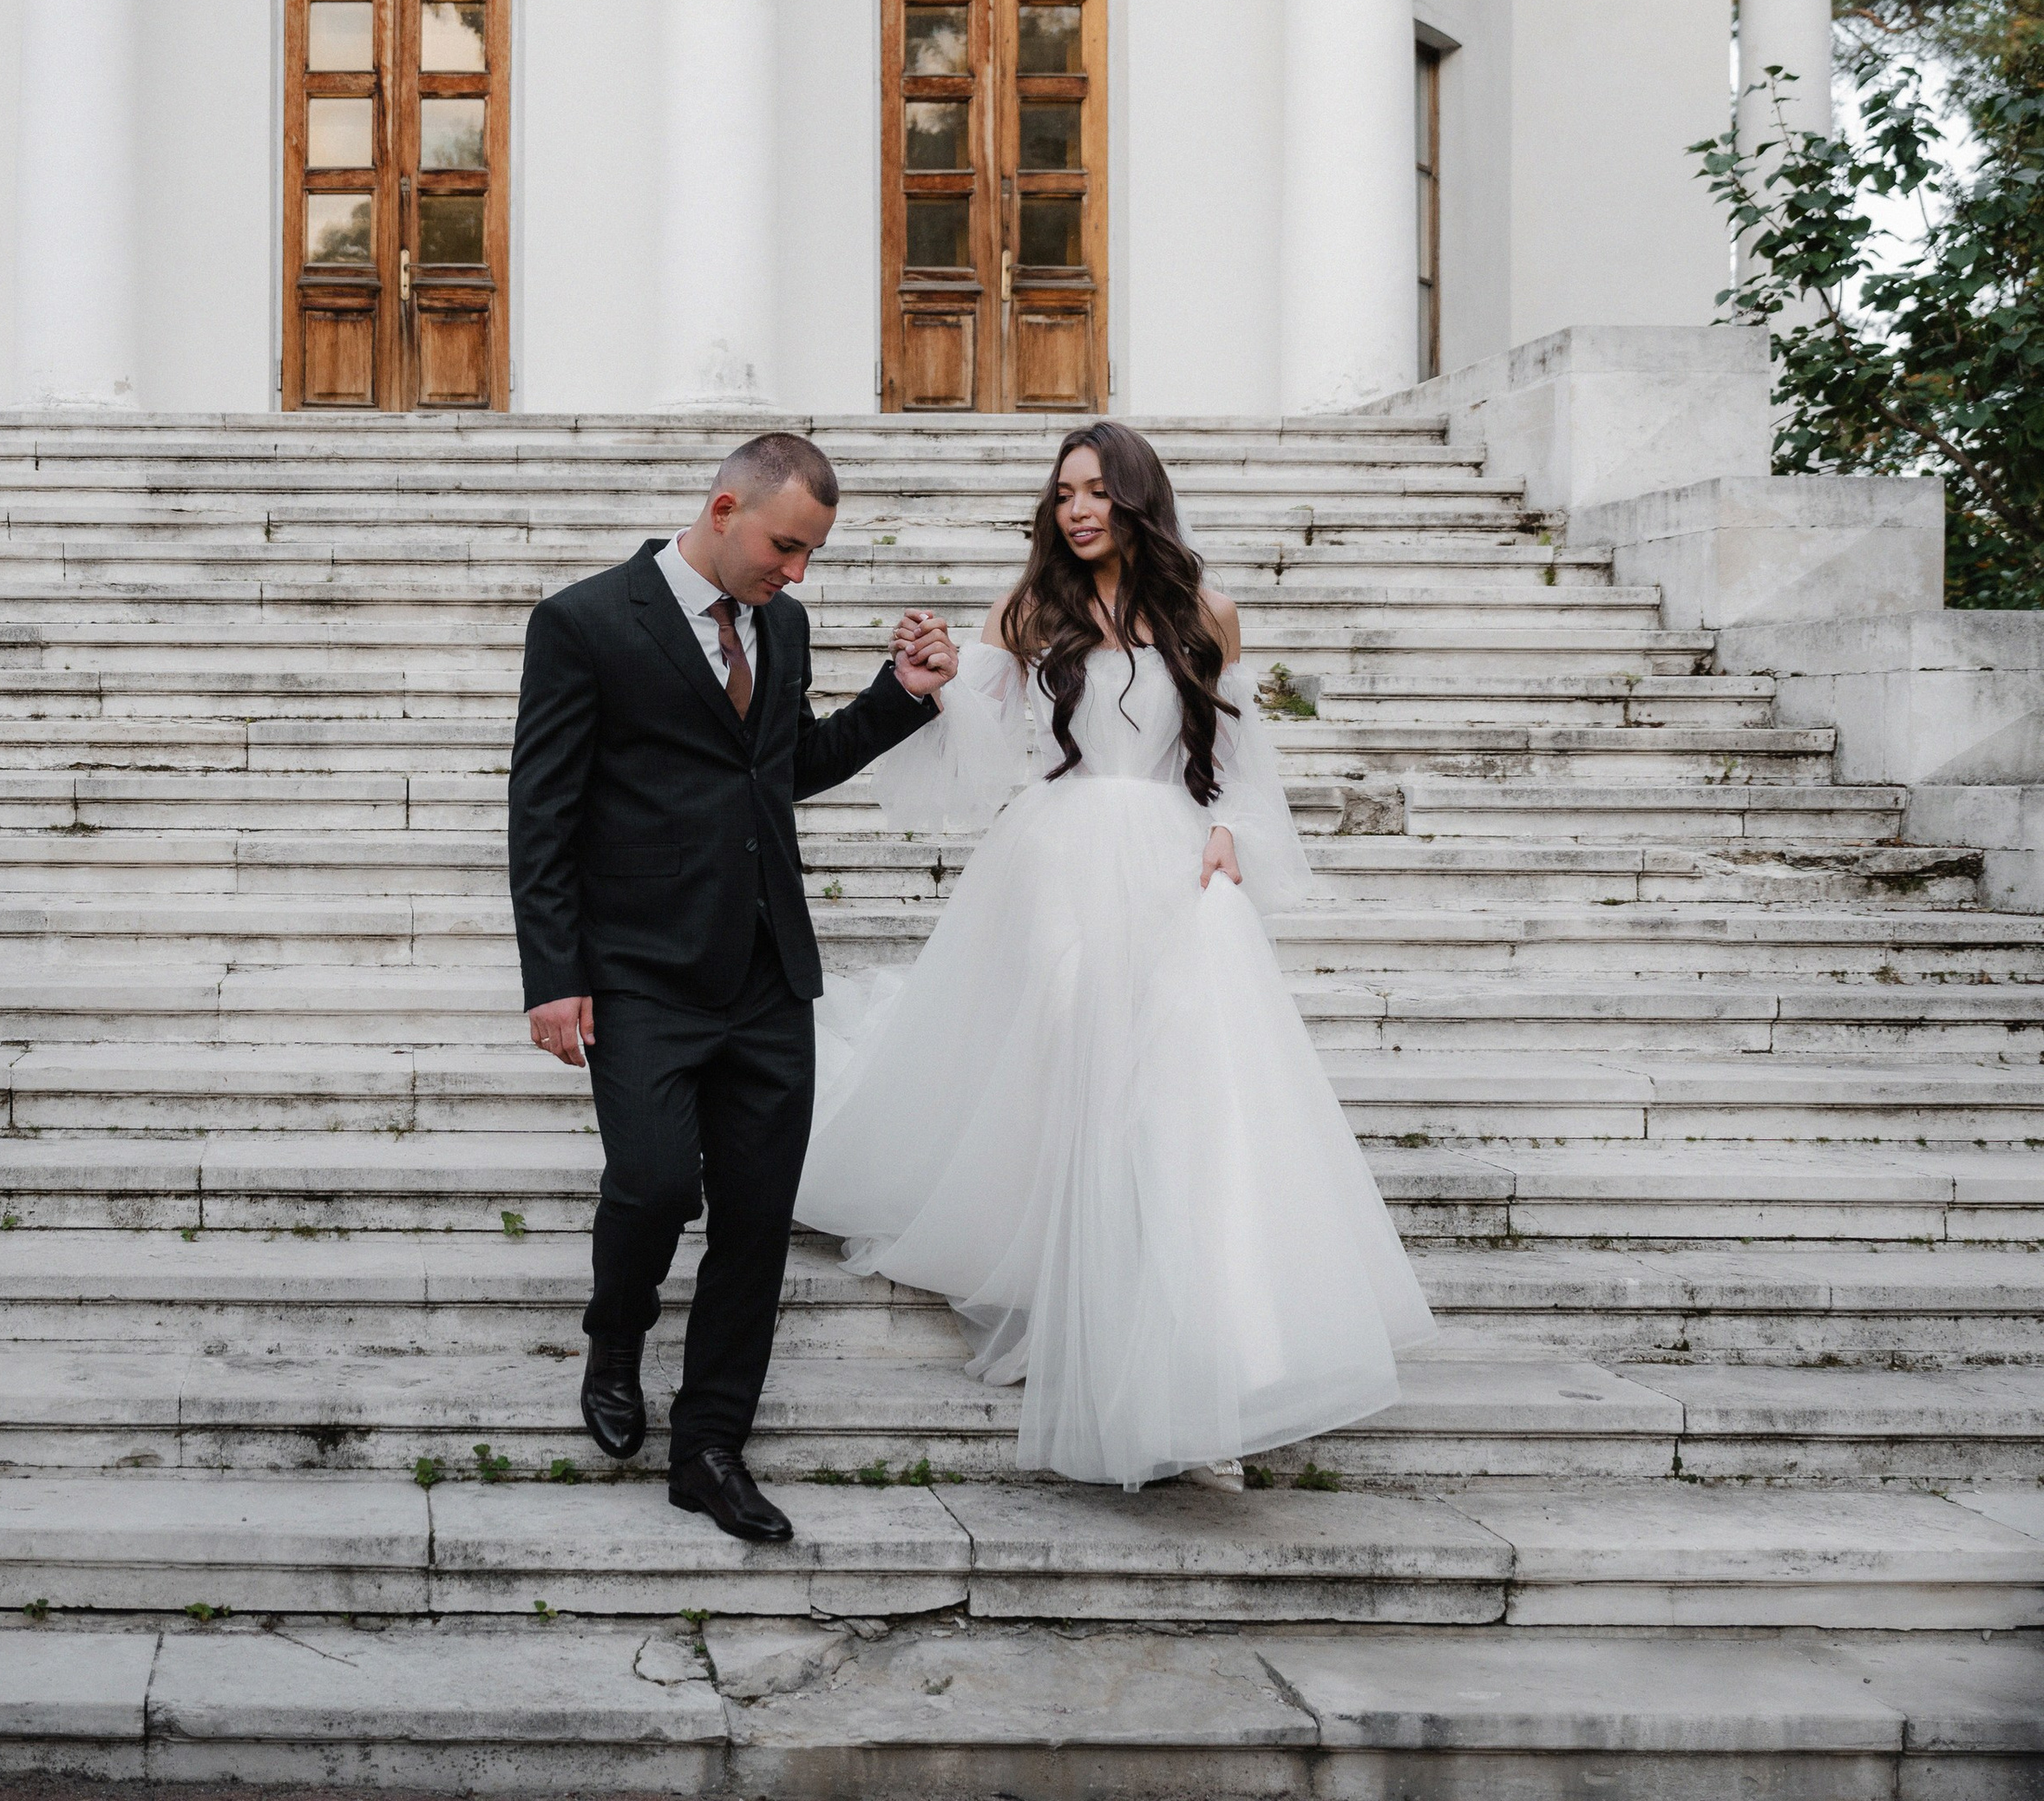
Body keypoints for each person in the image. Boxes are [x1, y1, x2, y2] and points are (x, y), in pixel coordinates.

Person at [795, 418, 1434, 1490]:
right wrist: (949, 679)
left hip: (1172, 862)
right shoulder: (1028, 608)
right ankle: (1079, 1294)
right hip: (1054, 858)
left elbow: (1238, 759)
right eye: (1062, 493)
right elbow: (991, 749)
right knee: (1075, 1044)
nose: (1077, 508)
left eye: (1095, 489)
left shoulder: (1206, 612)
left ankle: (1187, 1342)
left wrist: (1234, 828)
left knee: (1173, 1083)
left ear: (1136, 496)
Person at [508, 430, 958, 1544]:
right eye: (784, 546)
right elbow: (543, 810)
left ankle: (710, 1446)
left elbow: (784, 766)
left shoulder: (785, 625)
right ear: (723, 508)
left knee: (755, 1225)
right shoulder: (583, 622)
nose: (795, 573)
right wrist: (554, 974)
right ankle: (615, 1336)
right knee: (655, 1185)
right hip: (641, 975)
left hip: (768, 975)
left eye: (810, 555)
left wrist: (899, 694)